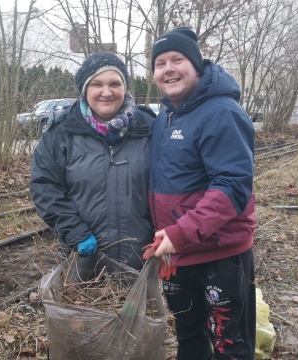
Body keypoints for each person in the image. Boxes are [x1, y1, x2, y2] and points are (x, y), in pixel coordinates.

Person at [147, 27, 257, 360]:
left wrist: (180, 233)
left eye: (178, 59)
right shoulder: (165, 116)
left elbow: (232, 186)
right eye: (160, 62)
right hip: (178, 254)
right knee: (190, 338)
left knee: (229, 344)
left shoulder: (222, 112)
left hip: (218, 254)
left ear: (197, 67)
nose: (168, 68)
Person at [30, 52, 156, 273]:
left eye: (114, 84)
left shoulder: (149, 128)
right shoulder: (62, 133)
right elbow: (45, 186)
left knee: (139, 308)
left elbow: (172, 183)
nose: (106, 92)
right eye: (96, 84)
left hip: (143, 257)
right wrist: (76, 233)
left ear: (124, 88)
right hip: (82, 257)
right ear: (84, 89)